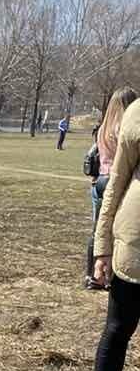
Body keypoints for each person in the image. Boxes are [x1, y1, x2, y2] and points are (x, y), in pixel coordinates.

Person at [71, 95, 140, 371]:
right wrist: (101, 248)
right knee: (116, 331)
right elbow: (115, 182)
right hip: (134, 249)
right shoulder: (136, 114)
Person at [84, 88, 138, 290]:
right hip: (114, 182)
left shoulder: (103, 128)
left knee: (98, 229)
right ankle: (112, 276)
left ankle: (92, 274)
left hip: (98, 182)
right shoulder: (124, 128)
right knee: (117, 231)